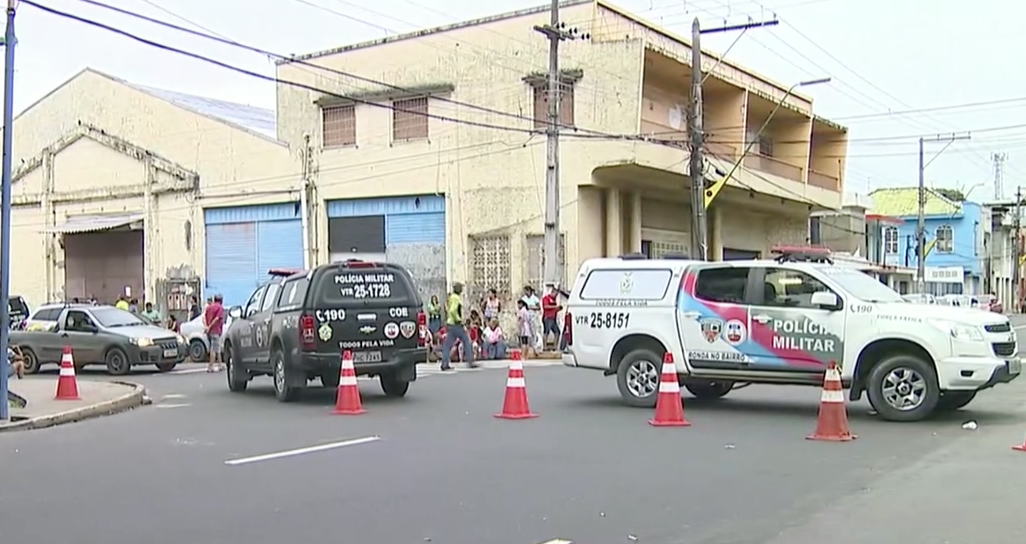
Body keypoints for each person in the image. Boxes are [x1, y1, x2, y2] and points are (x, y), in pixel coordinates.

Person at [440, 282, 476, 371]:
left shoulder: (451, 297)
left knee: (447, 345)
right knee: (466, 341)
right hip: (456, 324)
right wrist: (458, 319)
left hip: (450, 323)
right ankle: (470, 361)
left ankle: (444, 363)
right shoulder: (456, 298)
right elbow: (453, 310)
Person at [204, 294, 225, 373]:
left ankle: (220, 365)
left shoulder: (209, 307)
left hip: (210, 332)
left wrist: (207, 326)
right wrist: (209, 326)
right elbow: (217, 318)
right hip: (215, 330)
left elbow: (204, 317)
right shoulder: (220, 308)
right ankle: (210, 366)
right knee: (213, 349)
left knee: (217, 348)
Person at [541, 284, 562, 351]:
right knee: (546, 332)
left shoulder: (554, 300)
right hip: (547, 318)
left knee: (557, 332)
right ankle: (544, 346)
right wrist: (555, 307)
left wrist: (558, 309)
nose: (556, 295)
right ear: (552, 292)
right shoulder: (546, 298)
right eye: (555, 293)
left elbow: (553, 309)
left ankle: (554, 346)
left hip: (553, 318)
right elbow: (546, 307)